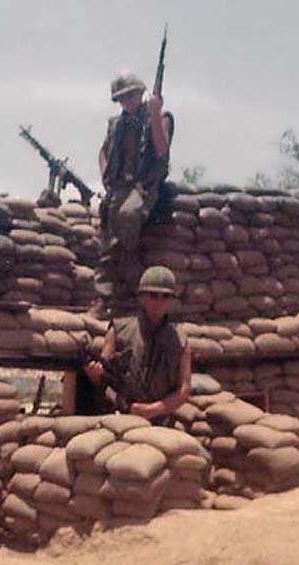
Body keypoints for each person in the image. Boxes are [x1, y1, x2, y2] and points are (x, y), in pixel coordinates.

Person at [96, 72, 173, 306]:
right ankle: (105, 296)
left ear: (141, 93)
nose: (126, 102)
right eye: (121, 98)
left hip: (145, 186)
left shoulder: (159, 118)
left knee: (127, 215)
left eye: (131, 96)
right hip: (119, 187)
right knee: (107, 224)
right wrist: (105, 177)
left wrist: (155, 112)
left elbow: (161, 151)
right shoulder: (116, 124)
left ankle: (131, 285)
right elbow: (103, 152)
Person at [84, 266, 191, 425]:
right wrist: (94, 375)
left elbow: (184, 390)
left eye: (165, 296)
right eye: (153, 295)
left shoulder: (180, 340)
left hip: (161, 422)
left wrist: (154, 409)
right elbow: (102, 375)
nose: (159, 302)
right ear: (142, 297)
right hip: (119, 417)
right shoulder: (119, 330)